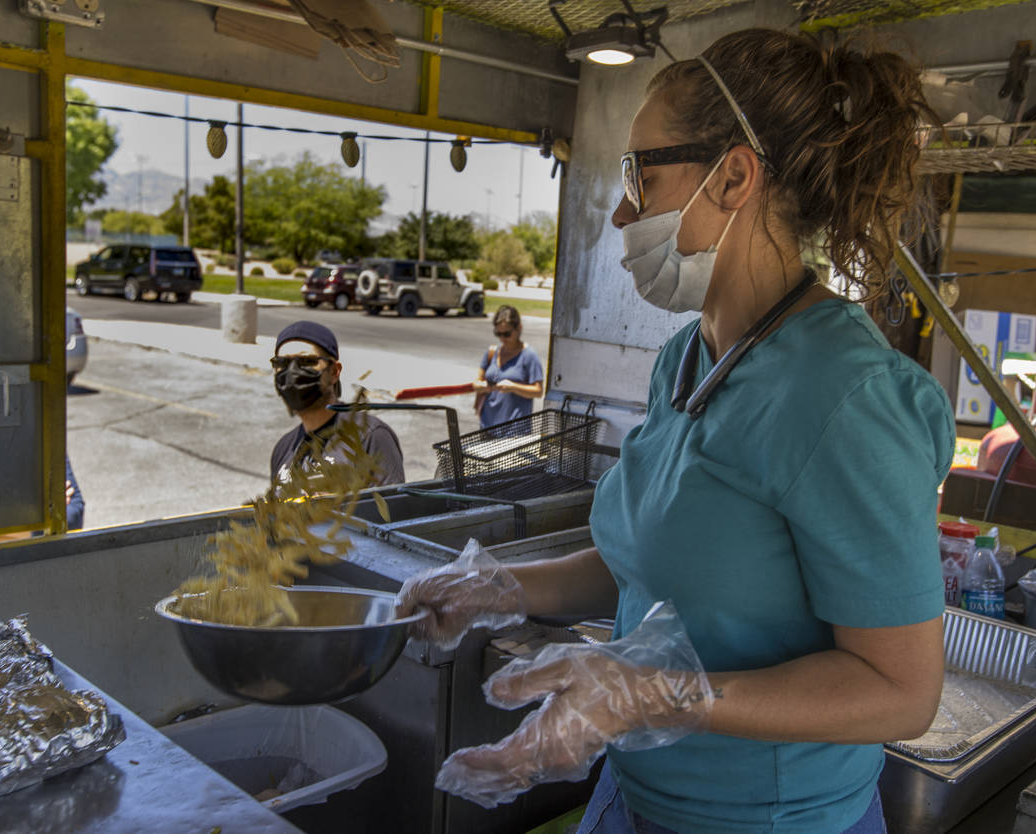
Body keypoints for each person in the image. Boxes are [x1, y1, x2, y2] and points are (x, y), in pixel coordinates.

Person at [399, 29, 954, 834]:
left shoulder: (846, 396)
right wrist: (504, 588)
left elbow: (902, 690)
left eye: (640, 173)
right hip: (637, 797)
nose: (622, 209)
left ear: (734, 176)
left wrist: (657, 696)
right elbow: (651, 562)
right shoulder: (686, 361)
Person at [269, 320, 405, 487]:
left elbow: (393, 509)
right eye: (282, 363)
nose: (293, 373)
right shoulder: (283, 448)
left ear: (334, 372)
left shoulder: (370, 437)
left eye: (306, 362)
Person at [472, 305, 544, 429]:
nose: (502, 338)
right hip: (487, 427)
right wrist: (482, 386)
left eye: (507, 334)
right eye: (498, 333)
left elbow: (538, 391)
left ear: (519, 328)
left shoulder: (529, 355)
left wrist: (513, 387)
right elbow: (477, 382)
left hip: (514, 432)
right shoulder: (491, 352)